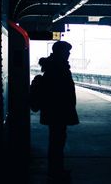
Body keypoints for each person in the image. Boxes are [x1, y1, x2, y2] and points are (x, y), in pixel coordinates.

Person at [38, 41, 79, 182]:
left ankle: (56, 169)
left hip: (55, 110)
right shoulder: (58, 67)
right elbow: (60, 91)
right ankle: (56, 171)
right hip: (58, 111)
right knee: (57, 141)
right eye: (67, 51)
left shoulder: (53, 66)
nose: (68, 54)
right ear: (60, 52)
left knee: (56, 140)